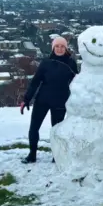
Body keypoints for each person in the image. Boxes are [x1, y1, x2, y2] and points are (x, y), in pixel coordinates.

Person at [20, 36, 78, 164]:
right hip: (42, 100)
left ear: (66, 48)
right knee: (34, 128)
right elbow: (35, 81)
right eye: (57, 46)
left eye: (62, 46)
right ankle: (32, 154)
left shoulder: (71, 63)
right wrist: (26, 99)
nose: (59, 49)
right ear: (53, 48)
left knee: (56, 131)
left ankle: (56, 156)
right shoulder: (46, 62)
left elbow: (77, 83)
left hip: (60, 102)